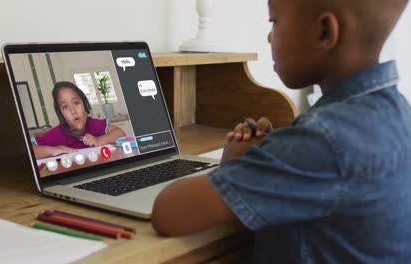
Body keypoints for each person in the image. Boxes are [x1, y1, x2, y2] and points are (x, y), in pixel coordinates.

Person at [151, 0, 411, 262]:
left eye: (273, 21)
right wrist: (274, 155)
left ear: (324, 32)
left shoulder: (322, 140)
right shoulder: (398, 113)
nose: (268, 36)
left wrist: (239, 165)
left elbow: (168, 213)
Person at [33, 81, 125, 159]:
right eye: (65, 107)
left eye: (76, 103)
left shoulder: (93, 124)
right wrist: (53, 150)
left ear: (85, 105)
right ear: (61, 114)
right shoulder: (57, 134)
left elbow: (120, 133)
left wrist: (98, 140)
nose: (73, 111)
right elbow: (31, 149)